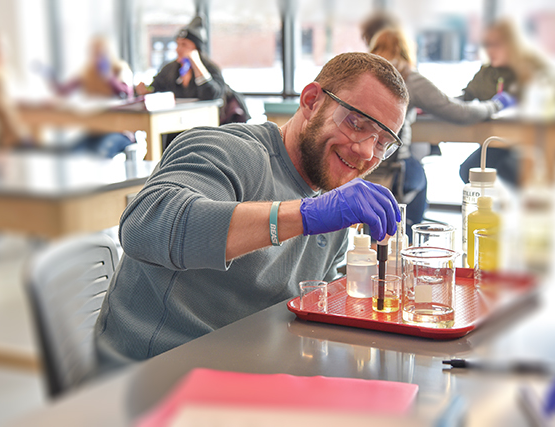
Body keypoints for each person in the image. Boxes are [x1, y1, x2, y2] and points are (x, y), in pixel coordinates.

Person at [94, 52, 408, 369]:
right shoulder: (225, 151)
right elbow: (144, 228)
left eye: (382, 142)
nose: (367, 151)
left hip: (252, 374)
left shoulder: (335, 200)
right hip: (154, 378)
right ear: (312, 102)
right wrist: (304, 215)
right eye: (356, 123)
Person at [368, 27, 515, 232]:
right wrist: (496, 104)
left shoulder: (364, 76)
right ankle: (411, 235)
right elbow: (460, 113)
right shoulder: (407, 78)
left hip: (361, 168)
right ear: (406, 50)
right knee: (419, 175)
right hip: (396, 170)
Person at [459, 18, 551, 187]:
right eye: (487, 45)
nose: (490, 50)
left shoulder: (531, 69)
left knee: (512, 172)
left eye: (496, 45)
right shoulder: (487, 73)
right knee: (468, 171)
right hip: (497, 141)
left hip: (530, 142)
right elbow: (467, 96)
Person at [136, 15, 248, 145]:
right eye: (177, 44)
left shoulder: (210, 68)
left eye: (184, 45)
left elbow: (211, 95)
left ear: (196, 48)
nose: (178, 49)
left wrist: (196, 63)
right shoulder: (170, 69)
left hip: (206, 129)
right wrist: (145, 90)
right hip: (173, 128)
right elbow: (155, 89)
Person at [47, 36, 135, 158]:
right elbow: (64, 90)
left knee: (101, 153)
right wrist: (50, 77)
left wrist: (108, 77)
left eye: (101, 53)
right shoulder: (88, 73)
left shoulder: (121, 69)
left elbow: (125, 93)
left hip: (119, 132)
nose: (98, 57)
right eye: (94, 53)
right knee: (71, 154)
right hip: (96, 131)